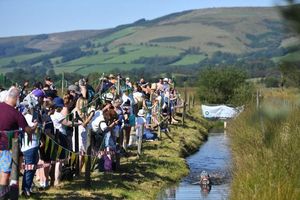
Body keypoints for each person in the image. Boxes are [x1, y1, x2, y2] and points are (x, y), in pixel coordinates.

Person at [0, 87, 37, 197]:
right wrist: (34, 128)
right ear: (17, 98)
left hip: (5, 146)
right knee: (5, 173)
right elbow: (28, 130)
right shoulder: (16, 114)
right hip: (7, 146)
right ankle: (2, 195)